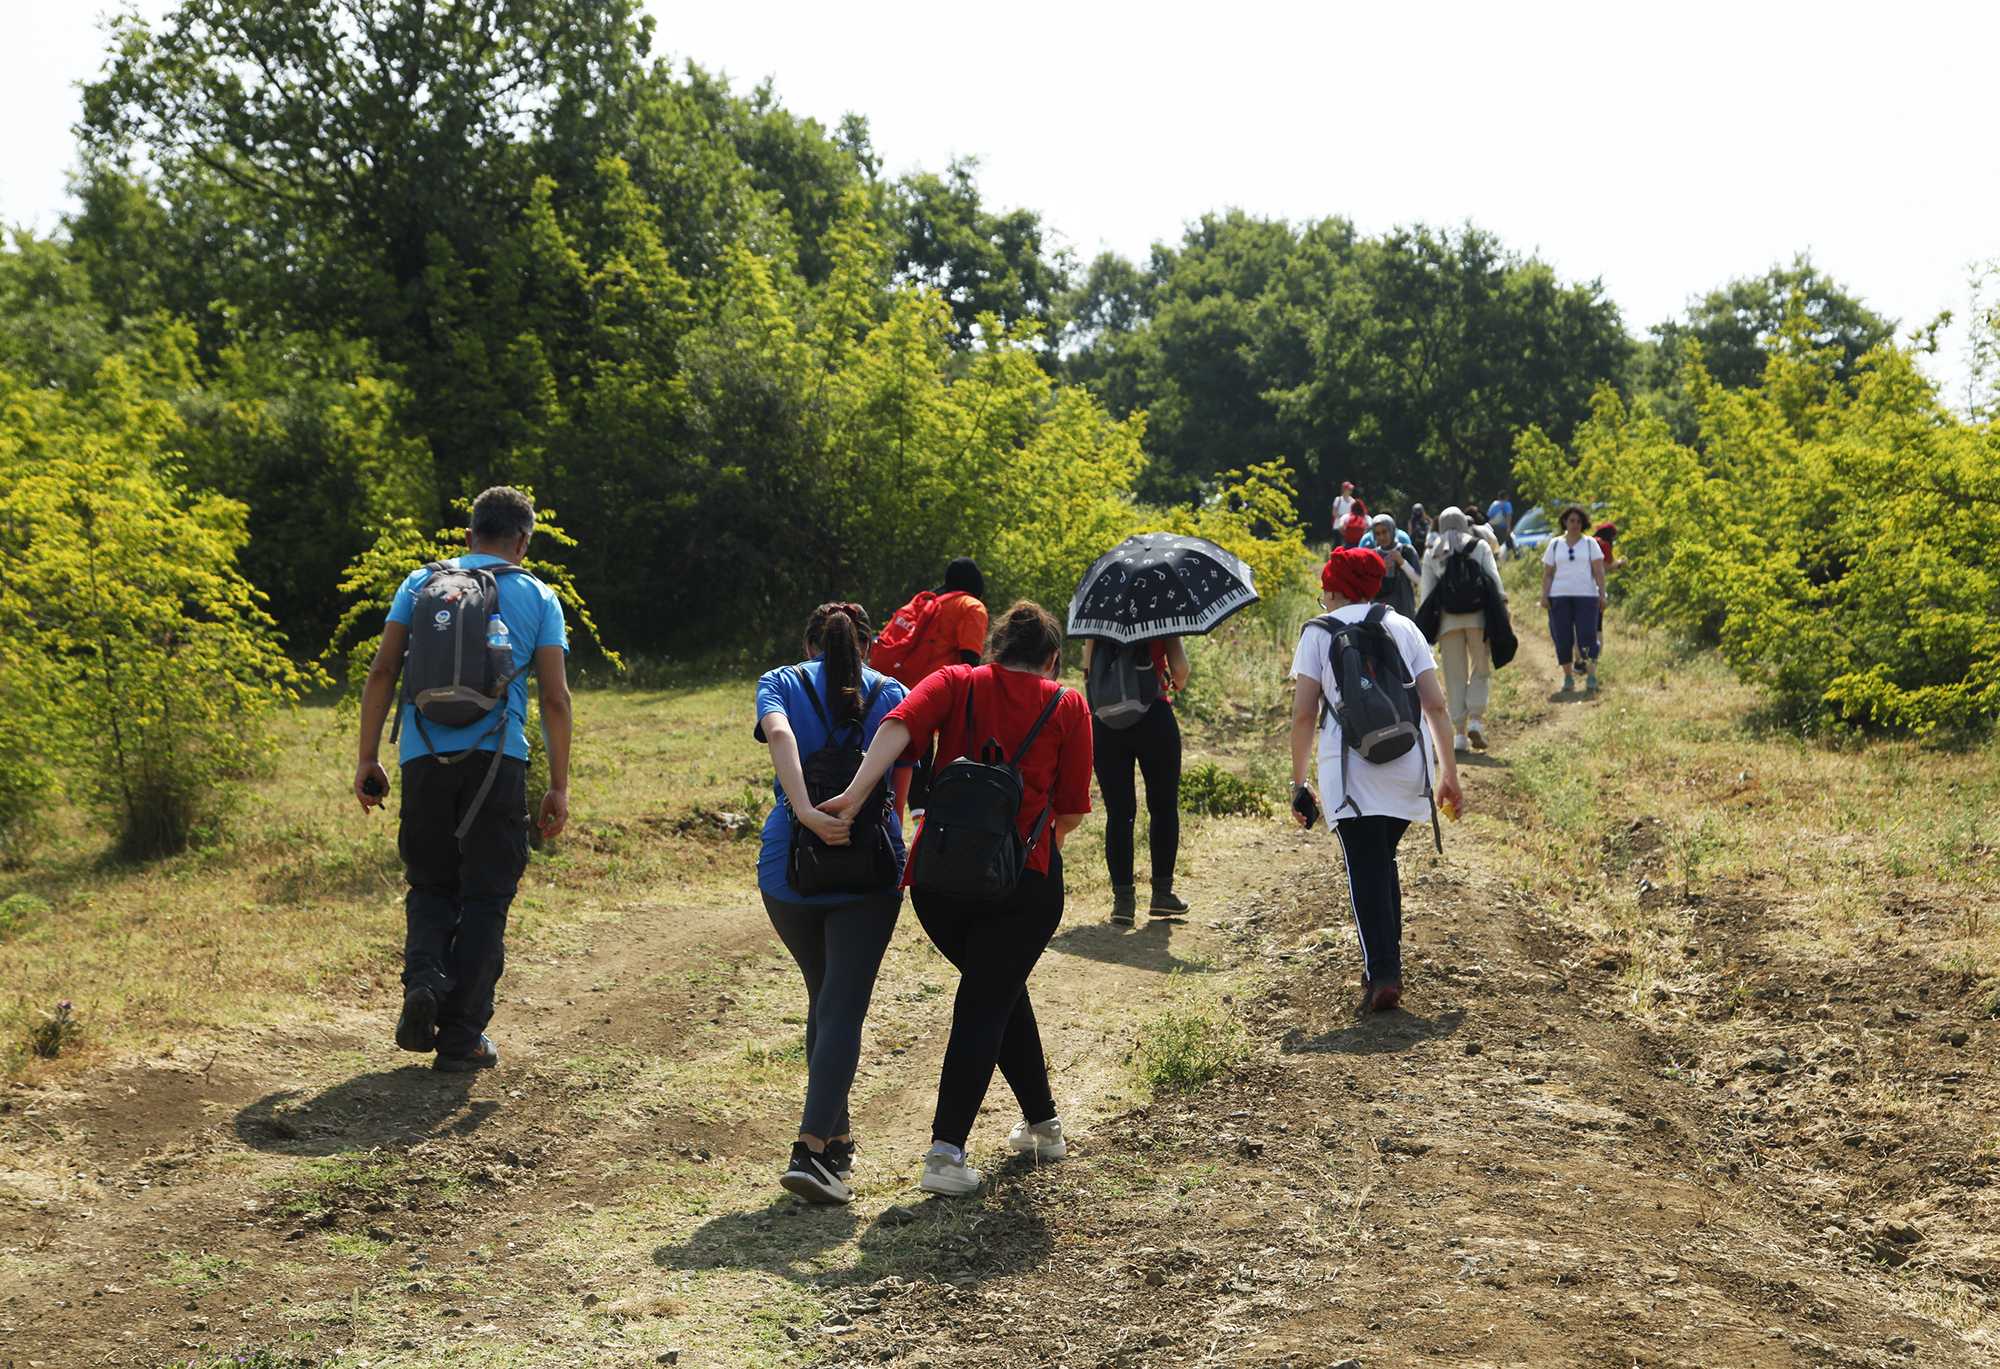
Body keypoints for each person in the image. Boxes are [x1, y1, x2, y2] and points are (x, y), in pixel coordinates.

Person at [823, 602, 1093, 1196]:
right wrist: (1022, 845)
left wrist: (852, 794)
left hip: (940, 884)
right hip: (1025, 884)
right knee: (986, 1000)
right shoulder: (1067, 703)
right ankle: (946, 1153)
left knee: (994, 990)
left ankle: (1044, 1125)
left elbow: (897, 727)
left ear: (995, 648)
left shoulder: (954, 681)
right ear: (1052, 659)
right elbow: (1070, 812)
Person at [354, 486, 571, 1073]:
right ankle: (461, 1037)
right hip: (497, 763)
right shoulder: (538, 595)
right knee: (485, 896)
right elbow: (554, 697)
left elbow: (381, 671)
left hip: (421, 758)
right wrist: (559, 785)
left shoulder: (419, 584)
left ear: (468, 536)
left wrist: (367, 758)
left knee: (429, 883)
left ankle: (424, 978)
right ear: (524, 540)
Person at [754, 604, 913, 1204]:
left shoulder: (780, 680)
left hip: (788, 869)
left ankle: (838, 1138)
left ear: (808, 642)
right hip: (867, 866)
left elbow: (781, 735)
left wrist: (805, 812)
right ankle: (811, 1150)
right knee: (843, 1003)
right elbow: (897, 786)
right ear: (867, 646)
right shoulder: (892, 692)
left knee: (824, 996)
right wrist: (845, 814)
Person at [1288, 549, 1461, 1017]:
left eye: (1325, 587)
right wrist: (1449, 774)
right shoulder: (1403, 626)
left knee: (1365, 865)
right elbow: (1436, 707)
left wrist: (1298, 782)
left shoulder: (1318, 632)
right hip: (1408, 764)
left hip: (1348, 770)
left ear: (1334, 587)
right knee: (1381, 859)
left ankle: (1383, 972)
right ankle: (1385, 965)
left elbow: (1305, 714)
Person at [1081, 636, 1191, 926]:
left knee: (1118, 814)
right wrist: (1175, 681)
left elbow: (1087, 668)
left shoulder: (1098, 617)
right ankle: (1162, 894)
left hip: (1106, 721)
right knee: (1164, 807)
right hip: (1154, 713)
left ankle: (1123, 902)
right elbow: (1180, 668)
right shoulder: (1160, 616)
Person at [1418, 507, 1505, 752]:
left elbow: (1426, 595)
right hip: (1479, 618)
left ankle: (1460, 734)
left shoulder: (1432, 551)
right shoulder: (1479, 546)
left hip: (1448, 622)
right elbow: (1494, 580)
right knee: (1480, 667)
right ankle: (1476, 719)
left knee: (1454, 675)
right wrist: (1504, 606)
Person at [1539, 505, 1607, 692]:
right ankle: (1568, 676)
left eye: (1578, 521)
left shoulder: (1590, 543)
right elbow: (1548, 573)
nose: (1575, 524)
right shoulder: (1555, 544)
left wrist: (1603, 594)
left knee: (1588, 635)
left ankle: (1591, 675)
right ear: (1564, 522)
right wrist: (1545, 596)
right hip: (1559, 596)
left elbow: (1599, 571)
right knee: (1563, 636)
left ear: (1583, 523)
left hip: (1587, 596)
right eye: (1571, 520)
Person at [1364, 513, 1420, 617]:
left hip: (1404, 608)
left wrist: (1402, 562)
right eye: (1377, 533)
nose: (1381, 537)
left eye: (1385, 532)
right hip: (1379, 611)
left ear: (1392, 530)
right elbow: (1366, 586)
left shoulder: (1407, 551)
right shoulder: (1372, 555)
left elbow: (1418, 580)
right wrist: (1381, 568)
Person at [1487, 493, 1515, 559]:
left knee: (1496, 544)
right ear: (1506, 497)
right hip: (1503, 527)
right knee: (1509, 543)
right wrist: (1508, 528)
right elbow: (1508, 515)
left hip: (1492, 528)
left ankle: (1493, 558)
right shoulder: (1507, 504)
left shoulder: (1494, 504)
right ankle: (1513, 557)